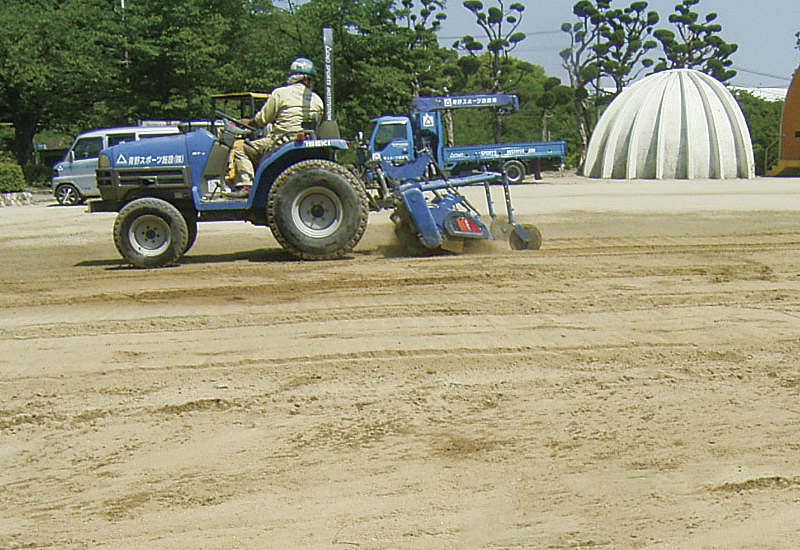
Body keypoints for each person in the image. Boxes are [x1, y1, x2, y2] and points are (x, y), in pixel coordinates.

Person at [227, 57, 324, 198]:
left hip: (280, 141)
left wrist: (247, 122)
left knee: (242, 150)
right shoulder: (317, 100)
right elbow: (317, 124)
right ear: (306, 80)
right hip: (306, 140)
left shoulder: (280, 94)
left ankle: (247, 186)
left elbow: (262, 120)